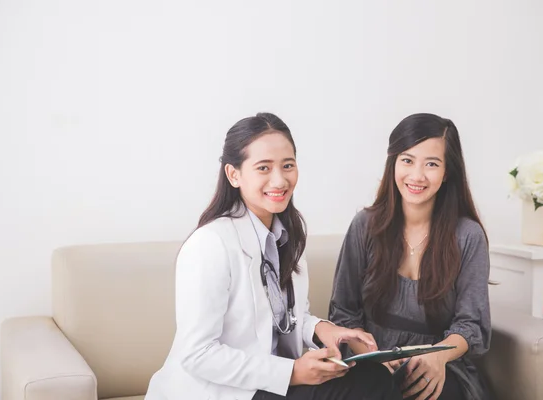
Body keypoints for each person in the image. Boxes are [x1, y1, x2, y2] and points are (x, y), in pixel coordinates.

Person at [145, 112, 401, 400]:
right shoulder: (211, 244)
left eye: (287, 165)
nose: (279, 180)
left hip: (269, 383)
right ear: (234, 174)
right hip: (224, 391)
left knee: (374, 375)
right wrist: (291, 372)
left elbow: (287, 315)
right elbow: (198, 353)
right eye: (264, 168)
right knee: (361, 388)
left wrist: (323, 330)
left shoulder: (288, 234)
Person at [329, 113, 491, 400]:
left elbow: (470, 325)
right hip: (369, 361)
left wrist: (438, 358)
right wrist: (373, 356)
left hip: (440, 364)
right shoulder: (365, 226)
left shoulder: (468, 236)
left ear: (447, 172)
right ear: (393, 163)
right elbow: (344, 312)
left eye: (431, 164)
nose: (417, 175)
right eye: (407, 160)